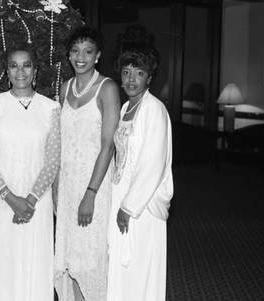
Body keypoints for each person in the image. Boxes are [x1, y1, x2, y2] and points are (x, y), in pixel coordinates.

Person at [0, 42, 61, 301]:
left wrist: (29, 201)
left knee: (30, 267)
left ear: (35, 70)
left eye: (26, 65)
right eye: (13, 65)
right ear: (6, 71)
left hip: (36, 204)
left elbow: (52, 160)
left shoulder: (50, 108)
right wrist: (12, 199)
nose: (20, 71)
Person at [53, 25, 121, 301]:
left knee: (89, 260)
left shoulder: (108, 89)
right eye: (75, 50)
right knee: (70, 258)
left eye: (88, 51)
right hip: (67, 186)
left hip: (94, 184)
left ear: (98, 55)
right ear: (69, 55)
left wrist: (90, 194)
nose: (81, 57)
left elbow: (108, 145)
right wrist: (56, 188)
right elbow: (59, 142)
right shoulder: (64, 87)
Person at [107, 47, 173, 301]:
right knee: (121, 266)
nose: (131, 79)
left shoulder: (154, 109)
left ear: (149, 78)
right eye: (126, 73)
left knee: (139, 267)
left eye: (139, 73)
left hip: (142, 204)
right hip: (120, 194)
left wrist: (129, 206)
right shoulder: (125, 108)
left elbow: (152, 163)